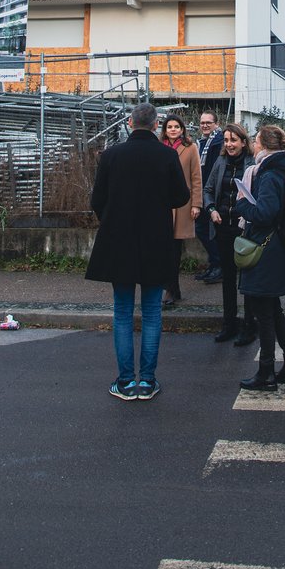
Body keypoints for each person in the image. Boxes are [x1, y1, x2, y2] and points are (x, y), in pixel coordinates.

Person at [85, 101, 189, 401]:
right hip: (156, 240)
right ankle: (147, 381)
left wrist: (112, 219)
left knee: (122, 313)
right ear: (156, 125)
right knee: (153, 312)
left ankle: (126, 381)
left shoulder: (112, 155)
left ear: (130, 123)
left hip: (119, 240)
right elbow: (181, 197)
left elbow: (97, 199)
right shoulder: (167, 155)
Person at [235, 125, 285, 391]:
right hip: (275, 247)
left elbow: (265, 213)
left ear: (263, 145)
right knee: (272, 308)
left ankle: (266, 373)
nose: (253, 144)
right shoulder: (282, 169)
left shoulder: (270, 174)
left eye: (255, 140)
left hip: (266, 249)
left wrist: (242, 203)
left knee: (264, 313)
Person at [204, 122, 258, 345]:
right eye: (226, 140)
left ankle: (249, 326)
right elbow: (208, 190)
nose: (229, 144)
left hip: (243, 228)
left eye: (233, 140)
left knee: (246, 278)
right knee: (228, 278)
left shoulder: (252, 163)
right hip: (223, 227)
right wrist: (211, 209)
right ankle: (229, 323)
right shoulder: (221, 161)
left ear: (243, 142)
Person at [161, 113, 202, 307]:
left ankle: (171, 289)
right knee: (164, 248)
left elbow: (196, 177)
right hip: (161, 204)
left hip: (182, 204)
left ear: (182, 129)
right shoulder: (159, 147)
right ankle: (172, 288)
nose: (173, 130)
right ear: (164, 129)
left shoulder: (190, 148)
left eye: (176, 126)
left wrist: (196, 204)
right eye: (169, 127)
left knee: (175, 249)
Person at [194, 111, 224, 284]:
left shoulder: (218, 142)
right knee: (202, 229)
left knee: (207, 230)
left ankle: (218, 266)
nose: (204, 125)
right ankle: (214, 264)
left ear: (216, 124)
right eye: (202, 122)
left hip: (212, 193)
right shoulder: (203, 142)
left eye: (208, 122)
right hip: (203, 191)